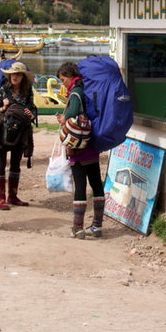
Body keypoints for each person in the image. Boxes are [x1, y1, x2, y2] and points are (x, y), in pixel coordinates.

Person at [56, 62, 104, 239]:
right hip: (91, 145)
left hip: (78, 148)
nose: (63, 83)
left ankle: (78, 228)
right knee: (96, 184)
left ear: (70, 76)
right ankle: (97, 226)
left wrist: (63, 119)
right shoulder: (85, 88)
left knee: (80, 186)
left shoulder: (75, 92)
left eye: (63, 79)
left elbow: (73, 114)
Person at [0, 61, 37, 209]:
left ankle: (13, 196)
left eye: (17, 74)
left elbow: (33, 109)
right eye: (12, 74)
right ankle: (1, 199)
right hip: (3, 132)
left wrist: (31, 114)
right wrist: (2, 108)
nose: (14, 77)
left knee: (16, 165)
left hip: (20, 133)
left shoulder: (28, 92)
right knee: (1, 165)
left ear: (23, 77)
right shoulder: (3, 91)